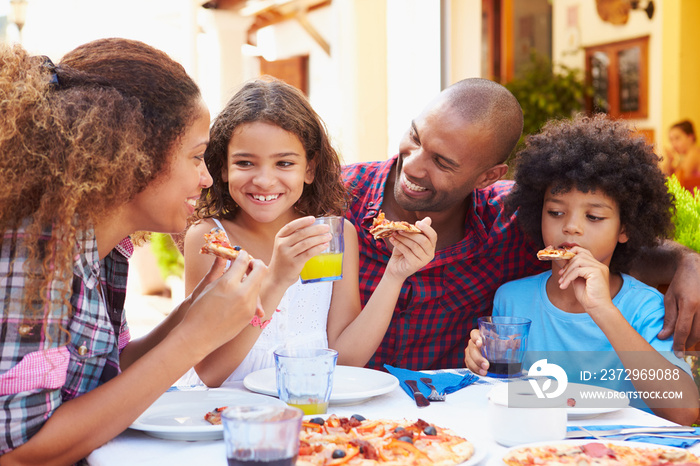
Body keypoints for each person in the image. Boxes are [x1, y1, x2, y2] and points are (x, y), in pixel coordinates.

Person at [0, 40, 267, 464]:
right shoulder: (37, 256)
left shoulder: (105, 252)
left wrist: (194, 312)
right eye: (197, 157)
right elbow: (19, 451)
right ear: (137, 160)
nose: (206, 178)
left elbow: (105, 371)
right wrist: (196, 339)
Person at [342, 77, 700, 371]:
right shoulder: (339, 200)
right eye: (416, 137)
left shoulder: (513, 221)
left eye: (442, 161)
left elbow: (611, 248)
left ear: (488, 176)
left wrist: (688, 262)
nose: (414, 167)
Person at [182, 77, 436, 387]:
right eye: (245, 162)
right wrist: (276, 280)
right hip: (223, 414)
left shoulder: (333, 236)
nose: (264, 180)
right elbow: (211, 372)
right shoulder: (211, 241)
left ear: (310, 168)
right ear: (222, 167)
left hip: (309, 412)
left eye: (284, 163)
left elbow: (345, 359)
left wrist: (395, 275)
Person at [464, 114, 699, 425]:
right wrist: (481, 362)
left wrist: (603, 310)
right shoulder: (512, 299)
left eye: (594, 217)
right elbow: (502, 395)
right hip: (537, 447)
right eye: (556, 212)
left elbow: (684, 411)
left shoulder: (644, 307)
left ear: (624, 228)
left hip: (627, 452)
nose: (571, 227)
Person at [663, 119, 700, 192]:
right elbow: (666, 175)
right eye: (671, 140)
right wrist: (670, 160)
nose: (673, 144)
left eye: (677, 138)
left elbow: (677, 182)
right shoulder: (685, 156)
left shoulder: (693, 153)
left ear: (690, 137)